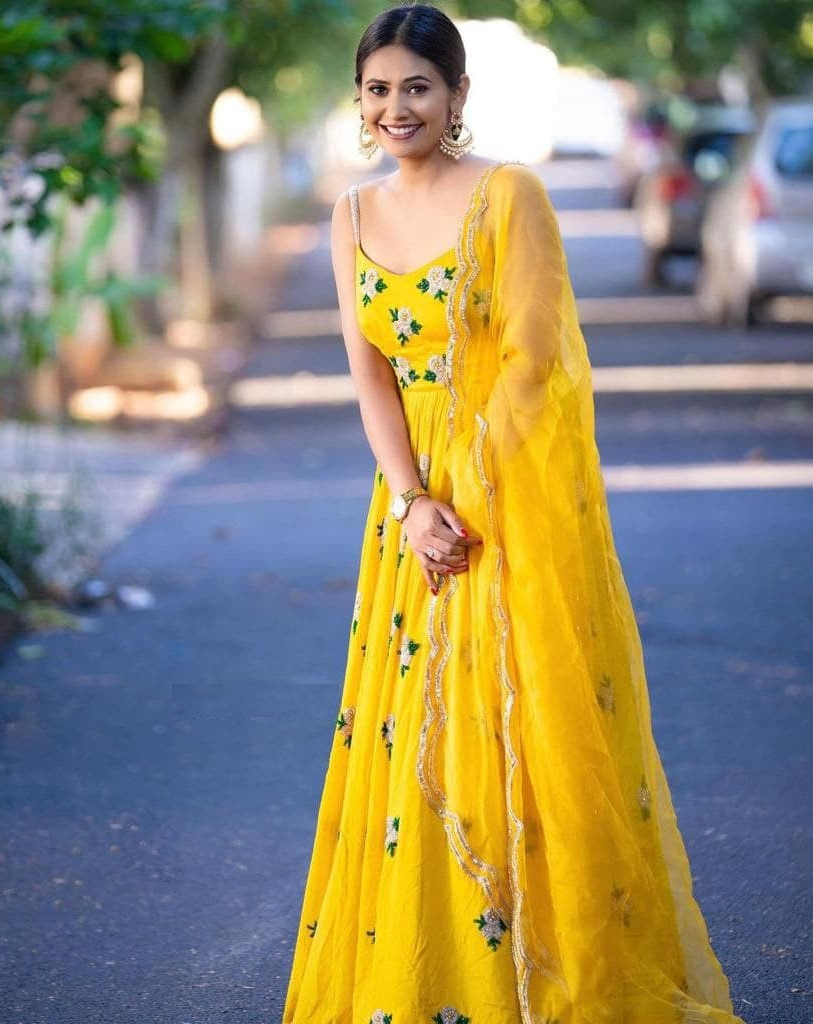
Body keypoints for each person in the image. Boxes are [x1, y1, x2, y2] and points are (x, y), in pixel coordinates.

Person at [282, 5, 749, 1023]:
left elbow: (541, 367)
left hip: (502, 511)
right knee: (411, 740)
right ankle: (423, 981)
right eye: (376, 88)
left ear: (454, 96)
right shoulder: (351, 216)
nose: (394, 106)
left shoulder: (509, 196)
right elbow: (368, 372)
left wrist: (468, 494)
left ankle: (532, 985)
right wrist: (412, 502)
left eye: (416, 86)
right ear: (359, 102)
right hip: (411, 515)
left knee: (518, 732)